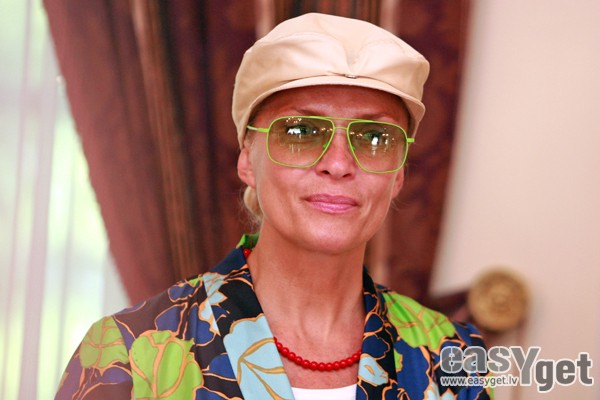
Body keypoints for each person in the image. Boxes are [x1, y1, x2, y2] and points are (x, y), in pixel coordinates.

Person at [56, 13, 493, 400]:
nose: (339, 164)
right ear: (247, 158)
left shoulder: (452, 354)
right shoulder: (127, 353)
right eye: (301, 132)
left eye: (375, 138)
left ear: (398, 174)